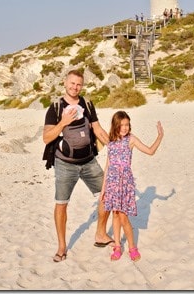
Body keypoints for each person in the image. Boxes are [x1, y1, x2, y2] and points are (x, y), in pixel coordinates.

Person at [43, 69, 113, 262]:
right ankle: (62, 247)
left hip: (89, 161)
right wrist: (63, 122)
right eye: (72, 83)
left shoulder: (87, 104)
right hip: (65, 164)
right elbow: (46, 137)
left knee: (107, 195)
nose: (75, 87)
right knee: (61, 205)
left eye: (78, 84)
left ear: (82, 86)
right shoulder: (55, 107)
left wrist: (114, 147)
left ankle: (100, 234)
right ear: (65, 83)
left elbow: (97, 129)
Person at [100, 110, 164, 262]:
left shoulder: (131, 139)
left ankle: (132, 247)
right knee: (115, 214)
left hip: (125, 183)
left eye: (127, 125)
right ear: (115, 125)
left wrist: (160, 136)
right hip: (112, 183)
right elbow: (108, 165)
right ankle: (117, 246)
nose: (124, 128)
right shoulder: (111, 141)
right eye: (121, 125)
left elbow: (150, 151)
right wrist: (103, 189)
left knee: (123, 217)